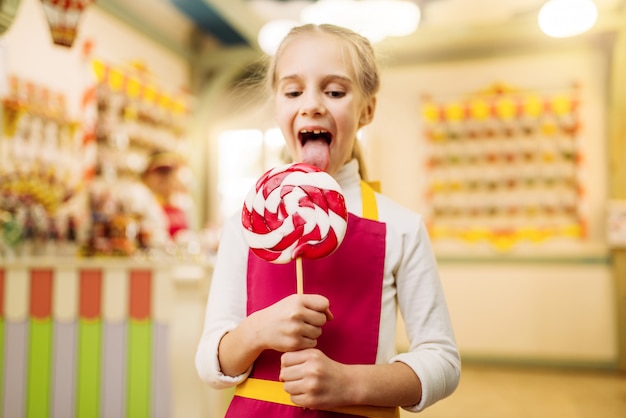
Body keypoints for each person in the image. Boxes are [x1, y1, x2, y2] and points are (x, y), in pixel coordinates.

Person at [195, 23, 460, 417]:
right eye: (293, 91)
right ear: (277, 107)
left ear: (367, 109)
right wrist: (256, 331)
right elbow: (210, 365)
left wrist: (349, 383)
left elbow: (443, 360)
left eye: (335, 91)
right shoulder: (246, 223)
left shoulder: (402, 227)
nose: (313, 104)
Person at [141, 151, 190, 239]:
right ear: (147, 176)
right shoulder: (141, 203)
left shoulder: (184, 203)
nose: (165, 178)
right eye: (160, 172)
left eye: (169, 172)